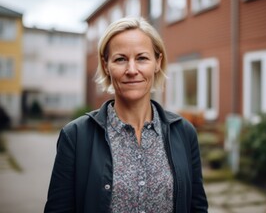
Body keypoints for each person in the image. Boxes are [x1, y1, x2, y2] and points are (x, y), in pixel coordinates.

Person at [44, 17, 208, 213]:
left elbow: (197, 207)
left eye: (142, 58)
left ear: (157, 62)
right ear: (106, 66)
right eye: (120, 59)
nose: (132, 70)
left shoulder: (184, 132)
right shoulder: (76, 136)